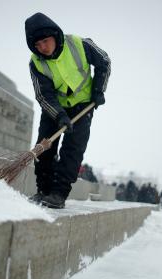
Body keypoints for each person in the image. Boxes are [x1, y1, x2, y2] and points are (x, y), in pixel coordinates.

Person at [25, 13, 111, 208]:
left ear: (55, 36)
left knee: (73, 150)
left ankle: (58, 194)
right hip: (55, 107)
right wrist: (59, 115)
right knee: (45, 146)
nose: (42, 48)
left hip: (83, 105)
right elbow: (43, 95)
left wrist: (98, 90)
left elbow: (104, 61)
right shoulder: (36, 62)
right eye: (37, 45)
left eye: (45, 41)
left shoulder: (79, 44)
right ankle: (43, 190)